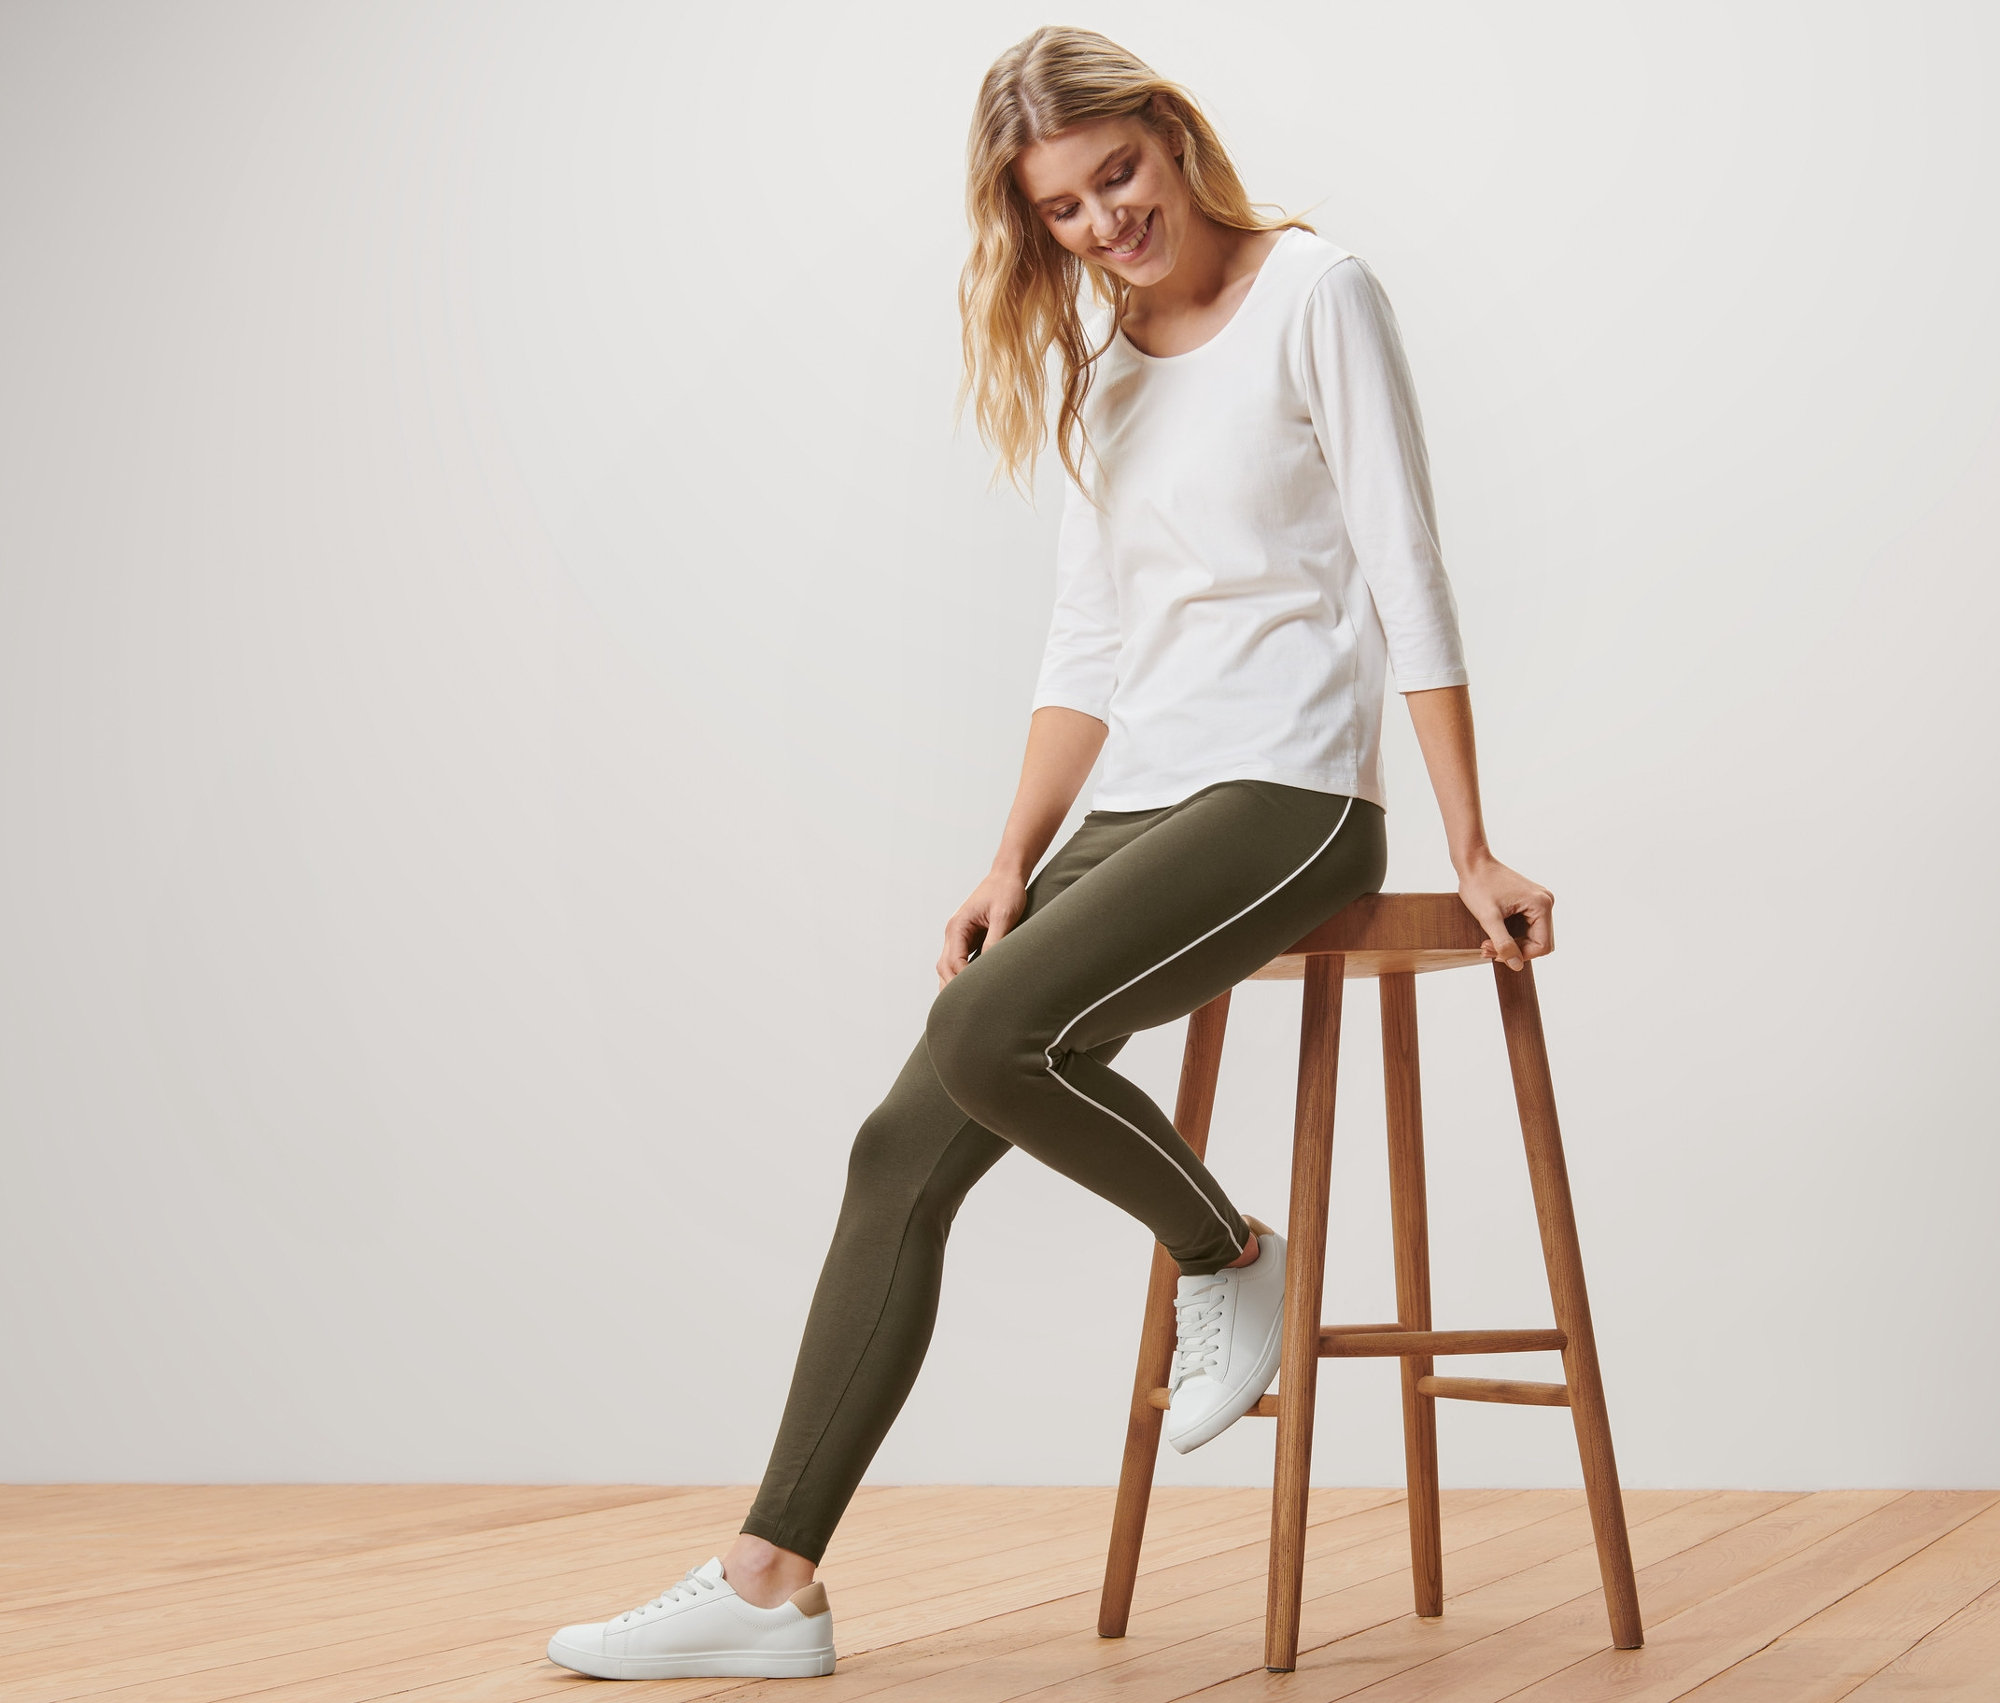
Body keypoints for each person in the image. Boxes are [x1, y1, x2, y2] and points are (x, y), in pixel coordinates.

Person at [544, 24, 1554, 1682]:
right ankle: (767, 1583)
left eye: (1118, 179)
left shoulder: (1320, 292)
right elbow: (1088, 647)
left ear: (1169, 133)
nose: (1102, 228)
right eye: (1064, 213)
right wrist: (1009, 853)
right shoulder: (1107, 367)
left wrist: (1471, 837)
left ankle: (1226, 1250)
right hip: (1140, 802)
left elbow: (1407, 567)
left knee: (988, 1032)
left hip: (1290, 800)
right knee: (899, 1144)